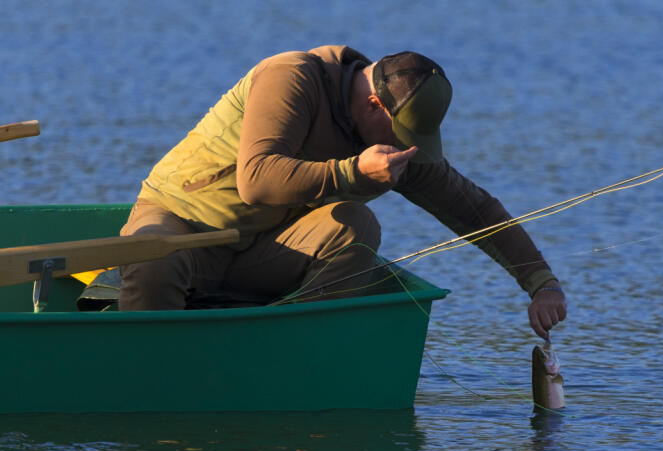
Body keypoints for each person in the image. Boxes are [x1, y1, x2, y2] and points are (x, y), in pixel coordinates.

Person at [119, 46, 566, 338]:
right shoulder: (291, 77)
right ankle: (142, 366)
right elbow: (256, 180)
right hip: (182, 222)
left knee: (354, 226)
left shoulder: (390, 139)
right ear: (374, 103)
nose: (402, 147)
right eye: (400, 132)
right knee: (153, 261)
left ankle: (286, 349)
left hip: (257, 250)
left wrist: (540, 283)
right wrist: (352, 171)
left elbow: (470, 207)